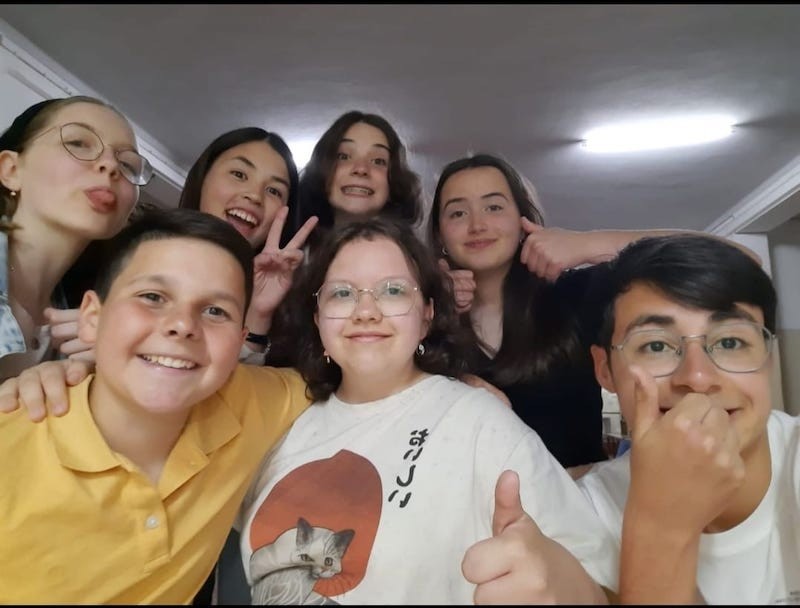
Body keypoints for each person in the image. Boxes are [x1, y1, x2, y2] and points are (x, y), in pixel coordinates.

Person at [214, 217, 616, 604]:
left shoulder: (479, 422)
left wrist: (566, 586)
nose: (366, 310)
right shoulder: (285, 419)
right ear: (317, 317)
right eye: (342, 293)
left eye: (392, 291)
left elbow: (596, 576)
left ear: (426, 315)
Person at [0, 207, 311, 603]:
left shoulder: (249, 401)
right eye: (153, 297)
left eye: (215, 311)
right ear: (92, 318)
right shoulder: (12, 444)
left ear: (239, 340)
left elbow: (349, 377)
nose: (183, 325)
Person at [427, 152, 755, 473]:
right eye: (458, 213)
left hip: (578, 502)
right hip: (462, 507)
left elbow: (738, 260)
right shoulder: (422, 321)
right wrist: (425, 308)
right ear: (440, 234)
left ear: (523, 221)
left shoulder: (576, 294)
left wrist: (592, 243)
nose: (477, 225)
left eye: (494, 207)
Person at [572, 234, 799, 604]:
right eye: (656, 345)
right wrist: (662, 527)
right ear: (605, 370)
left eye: (730, 342)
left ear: (768, 358)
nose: (697, 377)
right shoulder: (582, 515)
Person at [0, 95, 147, 381]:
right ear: (11, 170)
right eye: (78, 143)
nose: (111, 166)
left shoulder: (86, 326)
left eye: (128, 165)